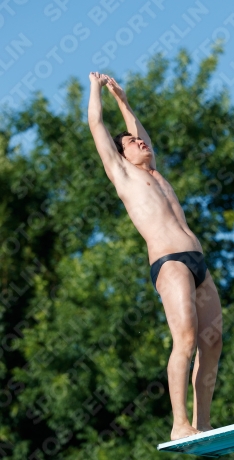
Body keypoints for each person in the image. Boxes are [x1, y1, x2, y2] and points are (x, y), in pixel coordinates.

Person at [88, 71, 223, 441]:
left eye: (139, 140)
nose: (140, 143)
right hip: (170, 264)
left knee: (213, 341)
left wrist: (123, 100)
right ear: (121, 155)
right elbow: (96, 125)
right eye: (132, 143)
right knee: (187, 338)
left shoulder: (156, 173)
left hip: (198, 264)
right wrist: (95, 89)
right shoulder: (123, 175)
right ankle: (180, 423)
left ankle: (203, 423)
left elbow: (140, 131)